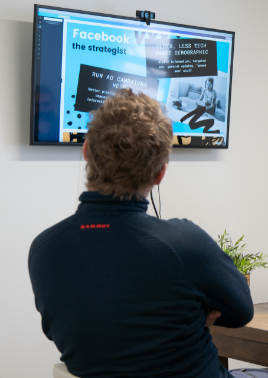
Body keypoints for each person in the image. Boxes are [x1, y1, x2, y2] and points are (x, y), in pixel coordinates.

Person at [28, 89, 254, 378]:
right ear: (160, 173)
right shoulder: (184, 244)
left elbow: (69, 330)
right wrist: (196, 318)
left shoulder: (45, 250)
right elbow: (241, 313)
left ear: (86, 152)